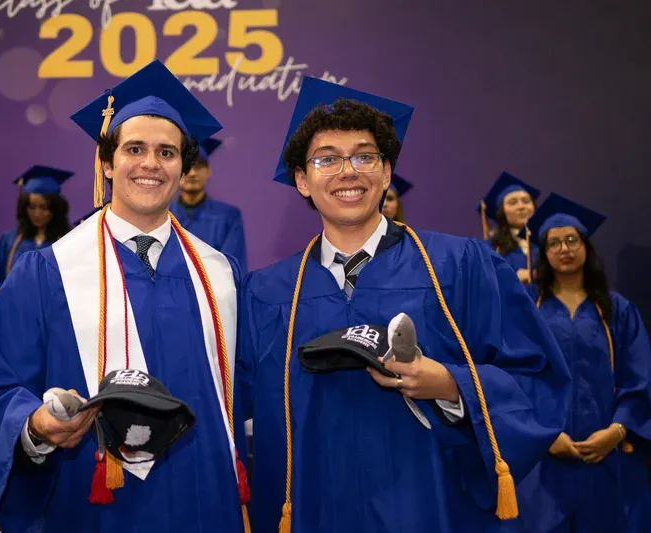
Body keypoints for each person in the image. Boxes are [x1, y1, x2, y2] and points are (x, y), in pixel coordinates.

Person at [237, 77, 571, 533]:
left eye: (364, 156)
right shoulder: (267, 292)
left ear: (387, 172)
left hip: (430, 509)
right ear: (302, 180)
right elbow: (224, 403)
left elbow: (537, 377)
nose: (347, 171)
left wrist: (453, 385)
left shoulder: (460, 266)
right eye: (327, 159)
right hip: (316, 511)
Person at [0, 60, 250, 533]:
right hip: (97, 511)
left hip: (205, 506)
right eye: (134, 149)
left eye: (167, 152)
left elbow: (252, 395)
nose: (151, 164)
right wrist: (35, 424)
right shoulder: (48, 273)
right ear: (107, 163)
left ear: (183, 167)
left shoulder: (221, 276)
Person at [517, 193, 651, 532]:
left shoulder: (616, 309)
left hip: (607, 456)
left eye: (572, 240)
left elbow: (639, 376)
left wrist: (617, 431)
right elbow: (515, 376)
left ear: (586, 246)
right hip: (544, 459)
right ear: (544, 253)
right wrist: (543, 435)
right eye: (554, 243)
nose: (564, 249)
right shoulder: (529, 309)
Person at [0, 166, 73, 331]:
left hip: (56, 324)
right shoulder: (9, 241)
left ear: (55, 208)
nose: (37, 213)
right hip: (15, 322)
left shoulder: (69, 241)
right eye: (31, 207)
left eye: (44, 207)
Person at [169, 137, 248, 275]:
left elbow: (231, 268)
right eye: (187, 167)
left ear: (209, 171)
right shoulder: (162, 215)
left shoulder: (228, 216)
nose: (192, 173)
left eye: (199, 166)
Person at [480, 171, 541, 284]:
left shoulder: (547, 243)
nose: (521, 206)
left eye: (526, 201)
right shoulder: (492, 247)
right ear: (502, 213)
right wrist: (513, 277)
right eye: (513, 202)